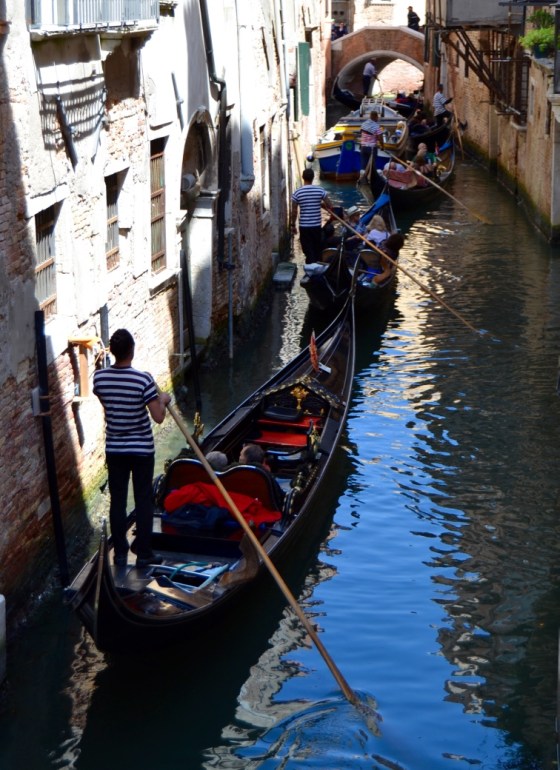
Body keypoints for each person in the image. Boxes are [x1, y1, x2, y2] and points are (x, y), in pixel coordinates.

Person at [93, 328, 171, 567]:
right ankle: (144, 554)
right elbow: (158, 417)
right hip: (141, 451)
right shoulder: (143, 380)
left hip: (115, 449)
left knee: (117, 501)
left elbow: (109, 402)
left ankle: (119, 555)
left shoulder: (99, 379)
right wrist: (164, 400)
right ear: (132, 351)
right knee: (143, 499)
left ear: (114, 352)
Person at [291, 168, 333, 264]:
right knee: (316, 249)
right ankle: (316, 268)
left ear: (303, 177)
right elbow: (330, 205)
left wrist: (293, 225)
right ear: (313, 178)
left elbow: (294, 211)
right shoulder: (320, 190)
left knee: (308, 250)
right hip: (316, 226)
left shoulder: (297, 192)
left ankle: (310, 269)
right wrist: (321, 204)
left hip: (304, 227)